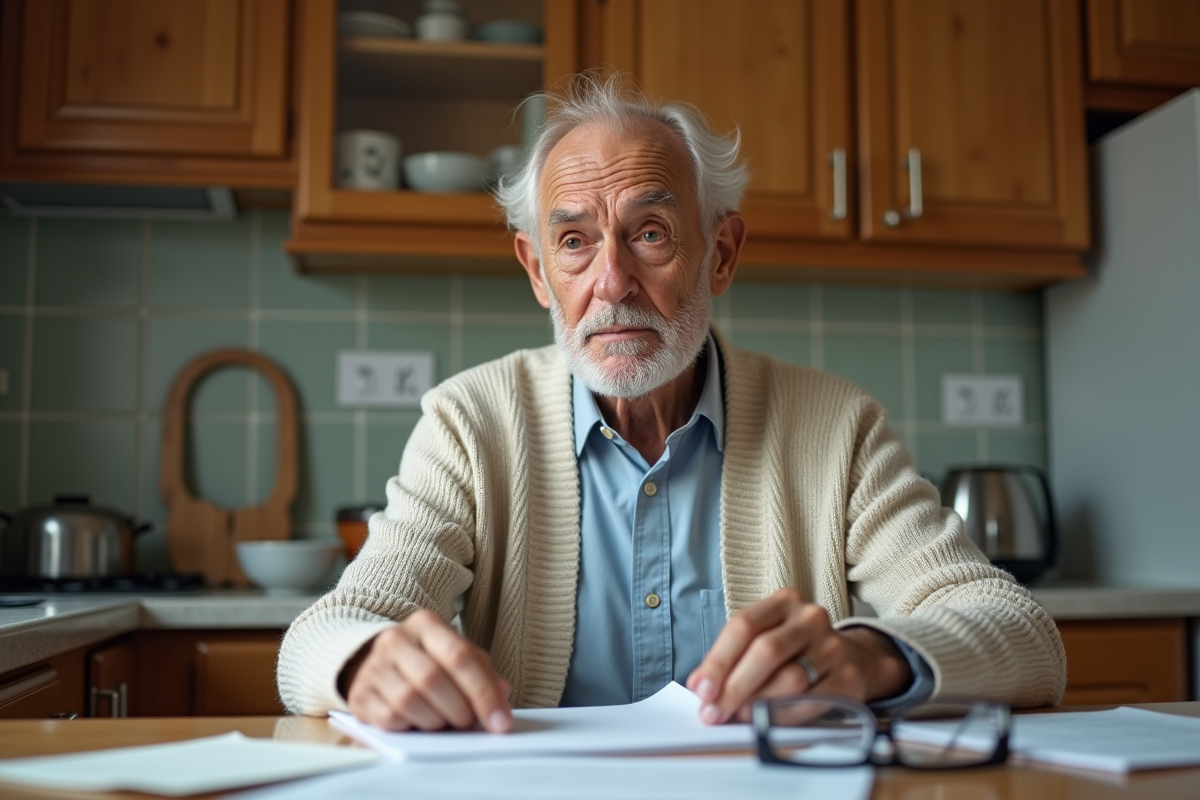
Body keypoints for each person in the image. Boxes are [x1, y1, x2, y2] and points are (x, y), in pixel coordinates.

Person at [277, 76, 1066, 733]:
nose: (611, 282)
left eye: (650, 233)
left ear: (719, 253)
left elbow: (1024, 636)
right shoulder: (469, 422)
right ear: (537, 270)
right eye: (576, 242)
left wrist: (869, 657)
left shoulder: (837, 426)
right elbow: (323, 633)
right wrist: (364, 665)